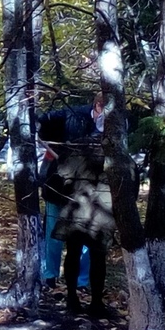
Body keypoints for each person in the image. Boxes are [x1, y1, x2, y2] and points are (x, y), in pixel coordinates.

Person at [36, 95, 102, 288]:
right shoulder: (70, 116)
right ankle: (50, 275)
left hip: (87, 190)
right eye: (105, 110)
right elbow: (41, 125)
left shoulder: (113, 126)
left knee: (85, 234)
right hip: (57, 185)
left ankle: (81, 281)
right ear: (97, 105)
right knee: (54, 232)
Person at [48, 137, 114, 317]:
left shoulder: (71, 154)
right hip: (103, 215)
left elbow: (52, 186)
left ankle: (71, 298)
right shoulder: (117, 157)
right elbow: (130, 188)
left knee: (73, 253)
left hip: (74, 211)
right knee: (98, 258)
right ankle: (96, 302)